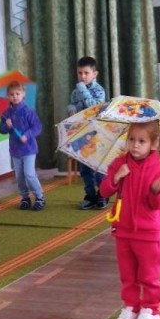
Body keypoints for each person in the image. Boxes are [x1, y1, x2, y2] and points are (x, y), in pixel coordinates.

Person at [98, 119, 160, 319]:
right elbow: (104, 191)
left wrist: (156, 191)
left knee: (149, 274)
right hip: (123, 231)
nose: (135, 145)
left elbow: (158, 205)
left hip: (148, 233)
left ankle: (151, 309)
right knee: (128, 274)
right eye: (131, 139)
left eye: (141, 141)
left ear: (153, 144)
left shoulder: (157, 169)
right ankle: (131, 306)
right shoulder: (120, 164)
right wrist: (116, 177)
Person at [67, 56, 107, 209]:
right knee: (85, 169)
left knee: (98, 167)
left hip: (97, 133)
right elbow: (73, 104)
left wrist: (83, 90)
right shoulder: (76, 91)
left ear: (94, 74)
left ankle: (102, 194)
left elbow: (94, 107)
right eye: (80, 73)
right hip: (81, 132)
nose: (82, 76)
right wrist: (71, 108)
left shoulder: (99, 90)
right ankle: (90, 195)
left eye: (86, 73)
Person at [0, 79, 44, 210]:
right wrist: (7, 126)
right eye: (12, 94)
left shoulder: (28, 111)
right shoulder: (6, 114)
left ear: (23, 94)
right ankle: (25, 198)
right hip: (15, 150)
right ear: (8, 96)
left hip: (29, 149)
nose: (15, 97)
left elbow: (37, 127)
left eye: (17, 93)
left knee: (29, 174)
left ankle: (39, 197)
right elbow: (1, 130)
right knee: (19, 177)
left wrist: (27, 135)